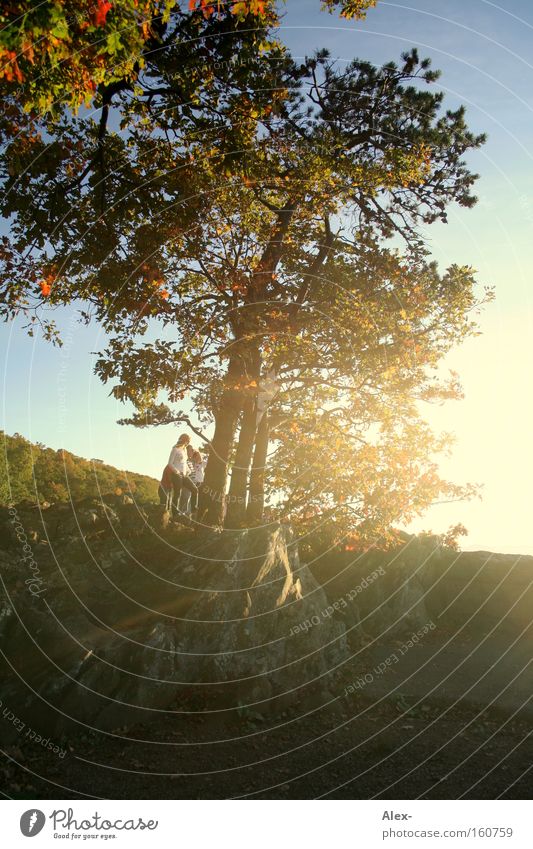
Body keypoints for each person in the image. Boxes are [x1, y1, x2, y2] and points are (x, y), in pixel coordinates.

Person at [163, 433, 198, 519]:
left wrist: (188, 471)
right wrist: (177, 472)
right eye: (187, 440)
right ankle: (175, 513)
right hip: (176, 475)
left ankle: (194, 509)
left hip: (184, 475)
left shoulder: (184, 450)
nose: (188, 442)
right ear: (183, 439)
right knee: (177, 493)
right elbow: (170, 463)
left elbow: (184, 463)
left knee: (194, 489)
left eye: (189, 441)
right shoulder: (175, 449)